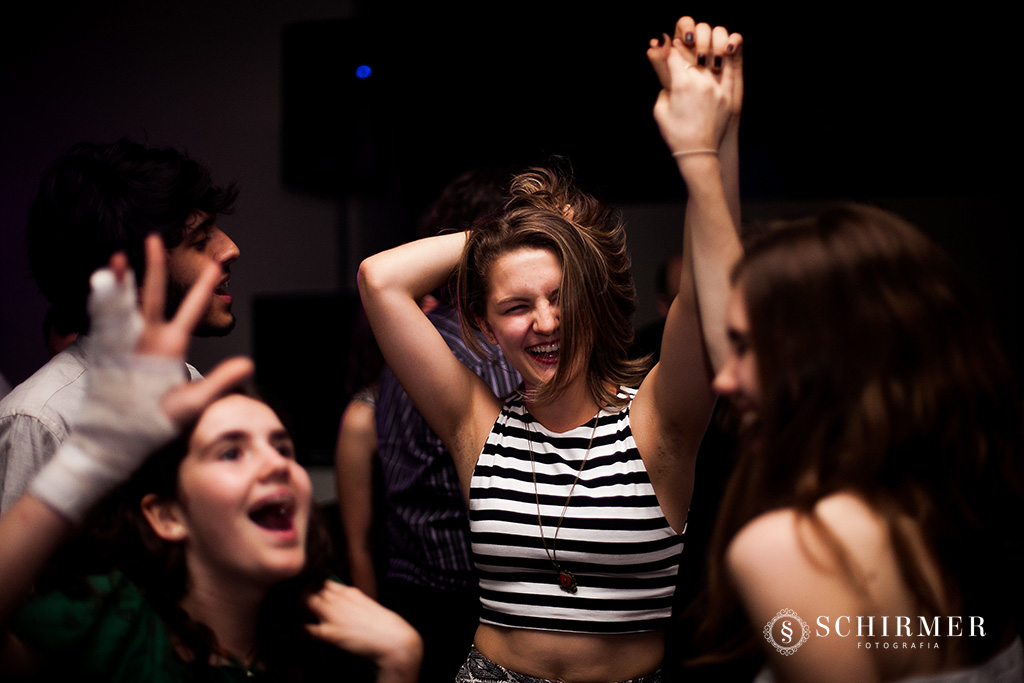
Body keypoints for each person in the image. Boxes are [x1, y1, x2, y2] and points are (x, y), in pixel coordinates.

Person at [358, 16, 743, 682]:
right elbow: (379, 279)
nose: (544, 322)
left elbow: (712, 294)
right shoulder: (475, 426)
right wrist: (521, 233)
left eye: (562, 296)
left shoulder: (658, 422)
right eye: (516, 306)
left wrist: (714, 141)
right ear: (486, 326)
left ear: (591, 299)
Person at [0, 236, 422, 681]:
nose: (278, 464)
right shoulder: (112, 625)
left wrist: (400, 663)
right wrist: (89, 458)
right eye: (231, 452)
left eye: (282, 448)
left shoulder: (332, 623)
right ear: (168, 515)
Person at [696, 205, 1024, 683]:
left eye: (744, 347)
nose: (723, 379)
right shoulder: (969, 513)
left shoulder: (794, 550)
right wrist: (702, 173)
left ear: (828, 358)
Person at [0, 138, 241, 513]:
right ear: (132, 274)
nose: (230, 249)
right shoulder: (43, 420)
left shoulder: (195, 388)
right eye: (199, 242)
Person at [363, 168, 521, 682]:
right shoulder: (485, 349)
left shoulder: (411, 341)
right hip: (462, 593)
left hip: (408, 580)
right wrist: (513, 232)